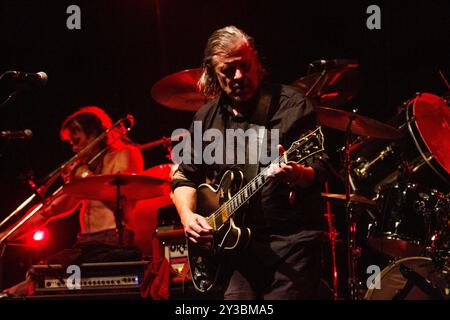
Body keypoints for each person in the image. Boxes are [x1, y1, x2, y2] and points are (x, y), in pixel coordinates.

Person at [171, 26, 328, 299]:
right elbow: (184, 176)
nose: (239, 76)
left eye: (245, 66)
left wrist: (296, 173)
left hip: (289, 247)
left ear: (257, 63)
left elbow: (319, 168)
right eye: (228, 71)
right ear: (211, 72)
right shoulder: (205, 118)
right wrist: (188, 218)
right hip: (235, 256)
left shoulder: (290, 105)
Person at [0, 106, 144, 297]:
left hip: (113, 241)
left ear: (93, 133)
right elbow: (48, 211)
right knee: (45, 270)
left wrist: (81, 174)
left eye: (77, 141)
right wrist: (6, 235)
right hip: (87, 244)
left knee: (45, 273)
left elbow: (117, 194)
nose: (75, 149)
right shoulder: (86, 170)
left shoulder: (125, 153)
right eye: (72, 144)